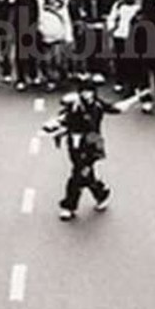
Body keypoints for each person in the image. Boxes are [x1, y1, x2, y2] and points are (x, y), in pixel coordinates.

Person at [43, 75, 126, 220]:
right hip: (75, 145)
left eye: (89, 91)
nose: (86, 94)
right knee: (86, 175)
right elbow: (64, 119)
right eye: (84, 91)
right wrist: (54, 127)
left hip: (92, 145)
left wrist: (125, 105)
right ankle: (101, 193)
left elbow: (113, 109)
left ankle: (69, 206)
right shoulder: (74, 106)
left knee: (78, 175)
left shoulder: (98, 105)